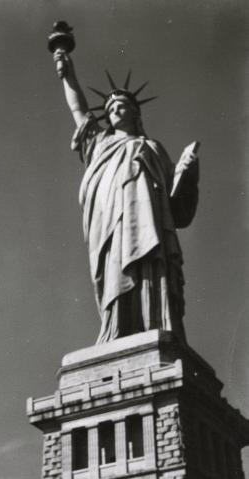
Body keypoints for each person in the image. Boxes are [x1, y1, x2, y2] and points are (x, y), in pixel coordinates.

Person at [53, 49, 199, 343]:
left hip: (148, 221)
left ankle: (154, 323)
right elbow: (78, 109)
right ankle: (117, 328)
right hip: (108, 221)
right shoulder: (100, 143)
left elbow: (176, 204)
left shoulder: (153, 148)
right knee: (114, 269)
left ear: (135, 112)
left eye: (122, 105)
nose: (115, 110)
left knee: (150, 261)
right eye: (111, 108)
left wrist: (188, 173)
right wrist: (68, 74)